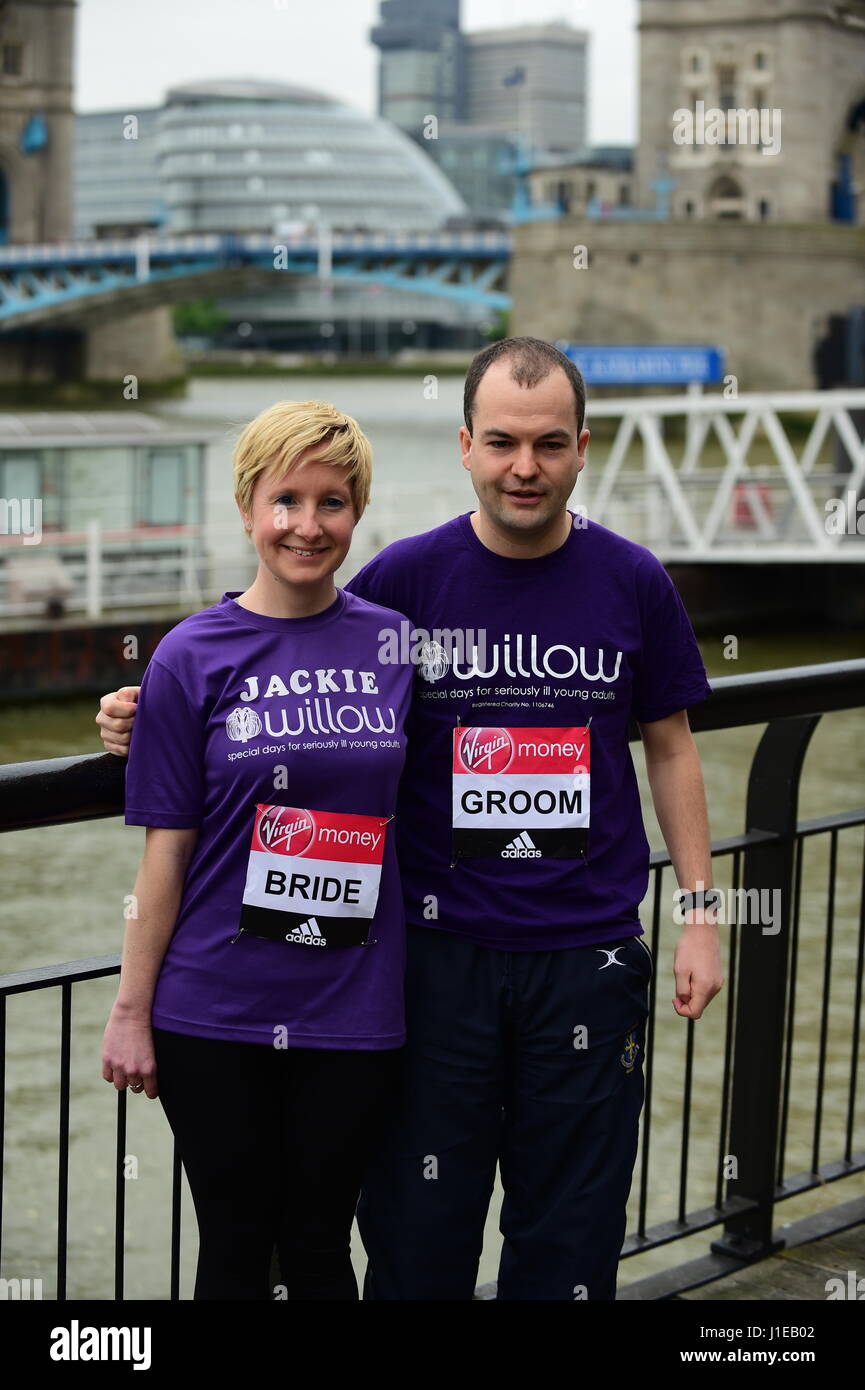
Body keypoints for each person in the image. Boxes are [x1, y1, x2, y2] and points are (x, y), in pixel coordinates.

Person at [97, 337, 724, 1302]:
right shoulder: (404, 584)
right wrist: (152, 704)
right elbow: (285, 631)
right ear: (465, 446)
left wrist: (702, 912)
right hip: (431, 964)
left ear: (582, 449)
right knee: (416, 1232)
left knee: (571, 1227)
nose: (526, 467)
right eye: (504, 442)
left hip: (586, 952)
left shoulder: (633, 580)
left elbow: (672, 745)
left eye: (550, 444)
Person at [100, 399, 413, 1301]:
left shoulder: (393, 645)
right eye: (284, 501)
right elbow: (165, 852)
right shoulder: (190, 656)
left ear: (357, 513)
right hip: (214, 1012)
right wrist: (131, 1010)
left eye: (332, 503)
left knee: (319, 1246)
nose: (306, 526)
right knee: (234, 1245)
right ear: (246, 508)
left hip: (354, 1009)